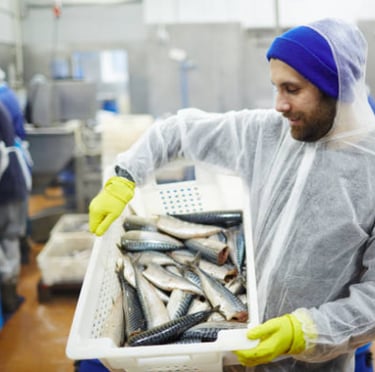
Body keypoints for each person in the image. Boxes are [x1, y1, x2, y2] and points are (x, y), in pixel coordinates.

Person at [88, 18, 375, 371]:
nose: (279, 105)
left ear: (335, 87)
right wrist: (125, 176)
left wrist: (307, 331)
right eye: (276, 88)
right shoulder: (269, 132)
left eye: (292, 89)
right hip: (232, 338)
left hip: (316, 363)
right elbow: (179, 131)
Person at [0, 99, 28, 313]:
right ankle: (9, 295)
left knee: (8, 237)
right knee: (9, 238)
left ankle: (9, 296)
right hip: (11, 181)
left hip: (6, 184)